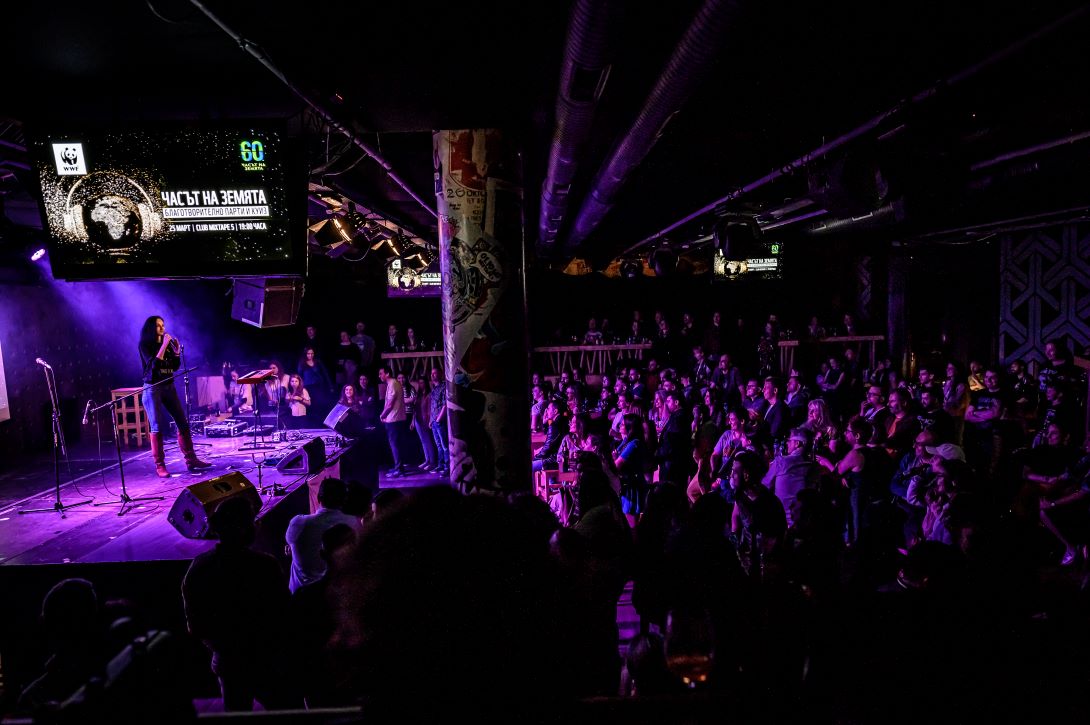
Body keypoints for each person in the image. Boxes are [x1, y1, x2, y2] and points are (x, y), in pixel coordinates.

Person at [181, 496, 298, 711]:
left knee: (236, 718)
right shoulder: (264, 566)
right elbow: (284, 615)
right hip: (266, 660)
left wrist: (221, 645)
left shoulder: (200, 567)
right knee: (287, 714)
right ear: (244, 527)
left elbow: (195, 625)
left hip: (227, 660)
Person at [137, 315, 210, 478]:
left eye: (163, 325)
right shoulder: (145, 344)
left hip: (168, 386)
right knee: (156, 426)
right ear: (151, 328)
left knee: (182, 422)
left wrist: (176, 353)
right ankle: (160, 465)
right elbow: (154, 366)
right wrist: (163, 345)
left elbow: (174, 367)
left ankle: (191, 460)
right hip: (153, 387)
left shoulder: (167, 345)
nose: (162, 328)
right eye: (158, 326)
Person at [284, 478, 362, 593]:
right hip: (336, 594)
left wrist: (295, 548)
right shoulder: (353, 523)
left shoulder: (299, 523)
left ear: (319, 498)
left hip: (300, 596)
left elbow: (291, 543)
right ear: (344, 500)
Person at [378, 367, 408, 477]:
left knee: (395, 444)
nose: (379, 375)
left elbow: (390, 404)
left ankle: (399, 469)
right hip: (395, 419)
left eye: (381, 373)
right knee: (396, 444)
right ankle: (398, 467)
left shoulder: (393, 384)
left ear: (387, 373)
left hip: (394, 420)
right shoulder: (392, 384)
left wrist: (382, 415)